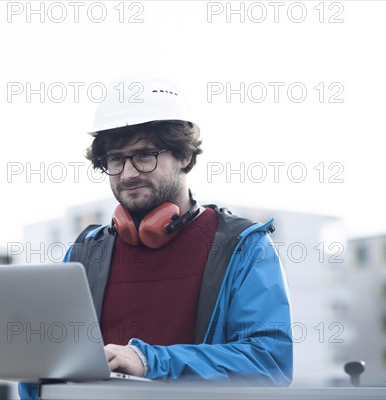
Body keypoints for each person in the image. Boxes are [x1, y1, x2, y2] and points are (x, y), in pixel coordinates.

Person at [19, 78, 292, 399]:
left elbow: (269, 363)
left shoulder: (242, 245)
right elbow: (50, 365)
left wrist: (151, 361)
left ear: (185, 156)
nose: (128, 173)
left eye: (145, 155)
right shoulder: (83, 252)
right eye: (116, 159)